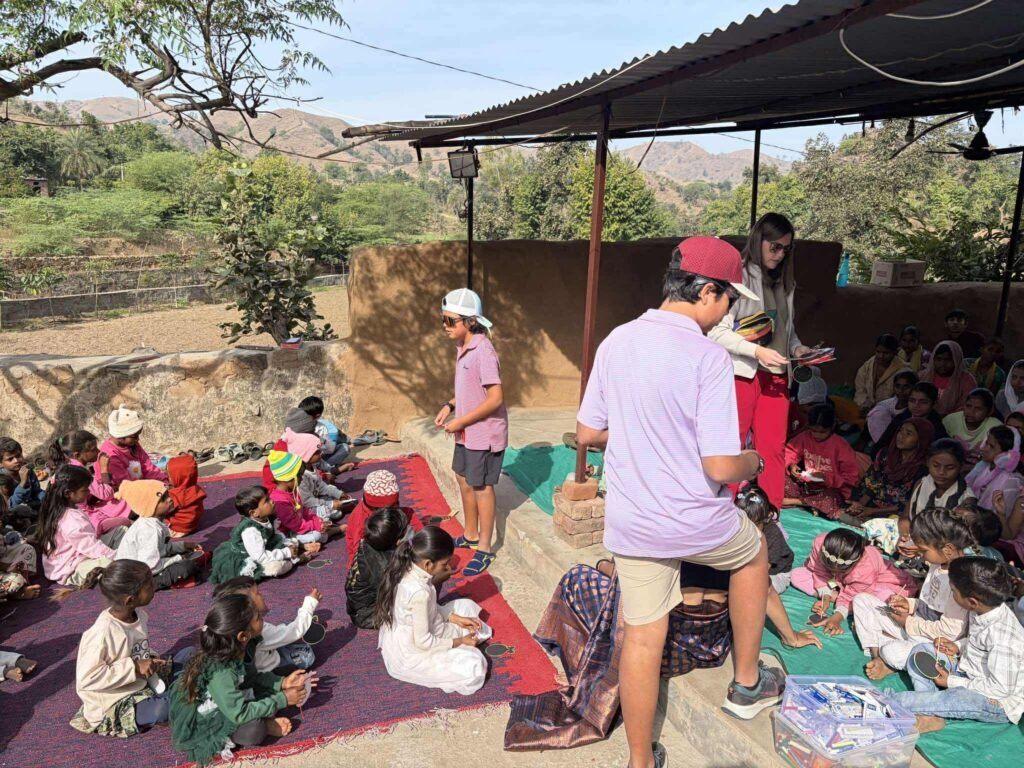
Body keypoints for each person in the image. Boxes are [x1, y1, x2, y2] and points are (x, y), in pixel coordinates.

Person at [578, 236, 780, 768]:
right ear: (708, 291)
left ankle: (641, 760)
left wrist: (640, 434)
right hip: (696, 521)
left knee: (643, 637)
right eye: (730, 301)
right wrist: (754, 462)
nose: (728, 312)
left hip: (634, 523)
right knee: (753, 553)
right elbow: (719, 466)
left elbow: (587, 431)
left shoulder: (616, 341)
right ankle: (746, 683)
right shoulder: (707, 357)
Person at [708, 213, 812, 510]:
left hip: (777, 374)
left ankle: (771, 515)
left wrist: (799, 348)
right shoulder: (737, 275)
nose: (779, 255)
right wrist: (756, 352)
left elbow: (786, 329)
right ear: (759, 241)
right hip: (742, 374)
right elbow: (717, 330)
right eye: (774, 247)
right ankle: (720, 509)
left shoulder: (785, 281)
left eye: (785, 249)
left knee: (773, 448)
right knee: (732, 445)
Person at [169, 593, 313, 766]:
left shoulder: (245, 646)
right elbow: (238, 714)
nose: (262, 617)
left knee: (266, 693)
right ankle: (266, 726)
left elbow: (251, 678)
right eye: (258, 617)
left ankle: (266, 713)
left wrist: (281, 683)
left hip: (232, 699)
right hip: (215, 714)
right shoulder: (221, 672)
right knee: (254, 730)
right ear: (242, 636)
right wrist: (282, 699)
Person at [890, 556, 1024, 732]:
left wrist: (951, 681)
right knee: (920, 651)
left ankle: (892, 700)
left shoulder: (1005, 639)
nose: (950, 594)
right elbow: (980, 642)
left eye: (952, 590)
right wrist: (958, 646)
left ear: (972, 601)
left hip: (995, 700)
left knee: (958, 698)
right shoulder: (983, 610)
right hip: (967, 672)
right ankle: (931, 711)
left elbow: (1000, 689)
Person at [69, 559, 193, 737]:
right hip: (115, 699)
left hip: (141, 681)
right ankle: (178, 695)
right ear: (130, 600)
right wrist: (134, 667)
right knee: (163, 708)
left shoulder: (138, 615)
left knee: (190, 654)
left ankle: (177, 692)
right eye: (149, 585)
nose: (154, 586)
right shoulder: (102, 633)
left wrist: (150, 660)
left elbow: (135, 650)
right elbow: (87, 679)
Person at [433, 287, 508, 577]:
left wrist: (462, 422)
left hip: (483, 434)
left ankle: (485, 548)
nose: (445, 327)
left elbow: (495, 398)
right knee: (463, 479)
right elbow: (470, 391)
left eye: (450, 321)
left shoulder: (483, 352)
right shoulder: (463, 348)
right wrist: (450, 406)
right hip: (467, 431)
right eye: (443, 320)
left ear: (470, 322)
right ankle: (471, 533)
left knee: (481, 486)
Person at [856, 509, 973, 681]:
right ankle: (878, 655)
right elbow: (927, 602)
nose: (921, 554)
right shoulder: (938, 563)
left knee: (893, 652)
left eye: (923, 550)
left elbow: (949, 634)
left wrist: (908, 622)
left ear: (948, 550)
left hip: (930, 643)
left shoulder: (960, 582)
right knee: (861, 600)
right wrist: (909, 604)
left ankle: (886, 654)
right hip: (912, 627)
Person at [374, 526, 489, 695]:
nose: (447, 567)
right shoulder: (419, 592)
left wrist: (454, 618)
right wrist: (460, 641)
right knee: (474, 666)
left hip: (426, 626)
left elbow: (431, 608)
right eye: (444, 563)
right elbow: (424, 642)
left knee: (467, 606)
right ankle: (463, 644)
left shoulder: (411, 568)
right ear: (428, 563)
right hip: (416, 648)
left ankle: (464, 636)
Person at [735, 484, 819, 650]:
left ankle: (789, 638)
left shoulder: (771, 533)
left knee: (753, 592)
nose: (747, 531)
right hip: (747, 569)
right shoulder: (734, 527)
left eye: (753, 526)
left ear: (766, 518)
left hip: (775, 574)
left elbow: (760, 577)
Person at [791, 528, 917, 638]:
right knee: (797, 575)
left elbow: (852, 596)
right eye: (831, 567)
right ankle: (835, 594)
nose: (834, 570)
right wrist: (826, 596)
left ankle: (838, 595)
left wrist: (837, 617)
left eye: (840, 569)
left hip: (875, 583)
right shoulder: (821, 543)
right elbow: (820, 572)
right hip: (836, 581)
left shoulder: (866, 567)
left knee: (886, 598)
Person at [213, 577, 320, 674]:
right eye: (257, 593)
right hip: (271, 665)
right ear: (246, 604)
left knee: (284, 629)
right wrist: (309, 604)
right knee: (308, 655)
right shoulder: (262, 631)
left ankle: (300, 624)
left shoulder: (235, 628)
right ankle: (279, 673)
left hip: (265, 651)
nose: (262, 595)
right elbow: (295, 631)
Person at [210, 486, 313, 583]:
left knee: (290, 542)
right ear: (254, 513)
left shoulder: (268, 517)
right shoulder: (250, 531)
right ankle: (294, 562)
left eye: (269, 498)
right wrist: (287, 552)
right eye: (266, 501)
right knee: (276, 568)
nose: (272, 501)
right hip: (248, 557)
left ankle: (292, 557)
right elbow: (260, 557)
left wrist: (291, 545)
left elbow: (276, 535)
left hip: (263, 548)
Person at [114, 479, 202, 590]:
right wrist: (179, 558)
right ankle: (161, 584)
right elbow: (150, 566)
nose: (169, 499)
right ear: (149, 507)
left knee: (187, 561)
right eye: (162, 499)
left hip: (148, 565)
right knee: (187, 567)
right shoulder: (150, 530)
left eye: (167, 494)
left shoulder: (155, 522)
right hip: (136, 578)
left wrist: (183, 546)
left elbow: (163, 548)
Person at [38, 465, 116, 586]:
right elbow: (90, 547)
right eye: (85, 490)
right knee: (112, 565)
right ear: (68, 493)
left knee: (120, 531)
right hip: (71, 568)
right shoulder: (70, 520)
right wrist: (117, 556)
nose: (89, 492)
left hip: (78, 552)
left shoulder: (65, 508)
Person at [51, 430, 133, 540]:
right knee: (126, 518)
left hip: (82, 510)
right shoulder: (78, 471)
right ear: (77, 455)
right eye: (93, 450)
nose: (98, 451)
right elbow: (105, 494)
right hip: (84, 516)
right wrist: (104, 468)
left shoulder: (70, 466)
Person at [783, 404, 860, 519]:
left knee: (829, 500)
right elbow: (790, 451)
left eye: (822, 432)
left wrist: (827, 479)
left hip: (829, 490)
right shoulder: (804, 437)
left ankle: (796, 502)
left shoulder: (840, 445)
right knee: (780, 478)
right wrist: (791, 465)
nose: (817, 435)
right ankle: (812, 504)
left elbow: (851, 477)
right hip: (807, 484)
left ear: (832, 426)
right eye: (814, 431)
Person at [848, 418, 933, 522]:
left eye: (909, 433)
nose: (901, 436)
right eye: (900, 431)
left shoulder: (925, 468)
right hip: (871, 505)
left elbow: (910, 503)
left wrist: (872, 511)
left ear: (921, 439)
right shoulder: (885, 455)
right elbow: (872, 484)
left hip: (897, 513)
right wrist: (860, 505)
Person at [346, 507, 411, 629]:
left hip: (358, 607)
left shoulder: (368, 542)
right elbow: (404, 591)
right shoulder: (387, 566)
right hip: (369, 616)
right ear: (397, 541)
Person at [344, 469, 421, 568]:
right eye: (394, 506)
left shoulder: (402, 512)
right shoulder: (361, 522)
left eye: (397, 503)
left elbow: (420, 532)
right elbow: (360, 557)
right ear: (380, 510)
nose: (397, 506)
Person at [267, 451, 339, 544]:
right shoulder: (279, 501)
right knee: (316, 535)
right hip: (288, 532)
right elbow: (294, 524)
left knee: (324, 518)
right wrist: (314, 525)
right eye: (300, 477)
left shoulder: (292, 491)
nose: (301, 480)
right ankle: (329, 533)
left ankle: (325, 531)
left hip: (301, 524)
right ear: (289, 479)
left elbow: (304, 509)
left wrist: (317, 521)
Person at [284, 431, 349, 525]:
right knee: (331, 512)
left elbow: (322, 487)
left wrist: (339, 494)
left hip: (315, 498)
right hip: (304, 506)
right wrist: (330, 504)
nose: (321, 453)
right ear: (306, 455)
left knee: (335, 502)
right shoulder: (300, 477)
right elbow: (307, 501)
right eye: (317, 452)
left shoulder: (313, 467)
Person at [100, 405, 166, 490]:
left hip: (140, 486)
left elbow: (148, 466)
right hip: (127, 491)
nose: (138, 439)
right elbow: (126, 486)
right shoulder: (110, 456)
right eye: (134, 436)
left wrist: (164, 482)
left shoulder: (132, 445)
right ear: (121, 436)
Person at [873, 382, 947, 457]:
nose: (916, 405)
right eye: (912, 400)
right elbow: (881, 444)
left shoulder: (935, 427)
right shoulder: (900, 419)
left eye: (923, 402)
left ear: (934, 403)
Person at [297, 395, 360, 472]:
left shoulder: (322, 428)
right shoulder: (295, 426)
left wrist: (321, 442)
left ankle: (327, 469)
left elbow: (330, 450)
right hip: (300, 461)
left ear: (317, 416)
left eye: (306, 415)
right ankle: (330, 470)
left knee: (345, 448)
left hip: (317, 460)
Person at [966, 425, 1022, 510]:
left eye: (991, 446)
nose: (984, 448)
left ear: (1006, 456)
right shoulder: (983, 467)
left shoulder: (1011, 481)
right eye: (986, 443)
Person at [943, 388, 1002, 465]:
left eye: (978, 409)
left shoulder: (996, 427)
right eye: (968, 406)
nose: (971, 412)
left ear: (989, 412)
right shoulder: (951, 420)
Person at [855, 334, 911, 413]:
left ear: (895, 352)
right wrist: (864, 406)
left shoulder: (904, 370)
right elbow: (860, 391)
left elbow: (903, 397)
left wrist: (879, 410)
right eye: (878, 352)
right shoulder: (867, 366)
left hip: (891, 412)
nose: (881, 356)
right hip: (866, 410)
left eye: (886, 353)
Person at [921, 341, 977, 417]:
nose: (942, 364)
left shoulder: (967, 380)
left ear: (956, 360)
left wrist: (947, 418)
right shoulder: (922, 376)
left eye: (948, 360)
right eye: (939, 359)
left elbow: (967, 406)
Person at [867, 370, 918, 445]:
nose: (901, 391)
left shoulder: (917, 409)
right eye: (898, 386)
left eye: (906, 387)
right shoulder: (884, 406)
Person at [0, 436, 45, 515]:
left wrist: (46, 497)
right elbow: (9, 506)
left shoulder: (27, 470)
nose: (16, 461)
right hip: (15, 515)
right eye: (10, 459)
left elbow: (36, 491)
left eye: (18, 456)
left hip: (31, 506)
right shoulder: (2, 481)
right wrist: (23, 484)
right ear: (1, 463)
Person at [165, 455, 206, 537]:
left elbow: (165, 510)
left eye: (170, 476)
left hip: (178, 529)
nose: (167, 478)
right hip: (192, 525)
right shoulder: (195, 488)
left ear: (179, 477)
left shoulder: (176, 495)